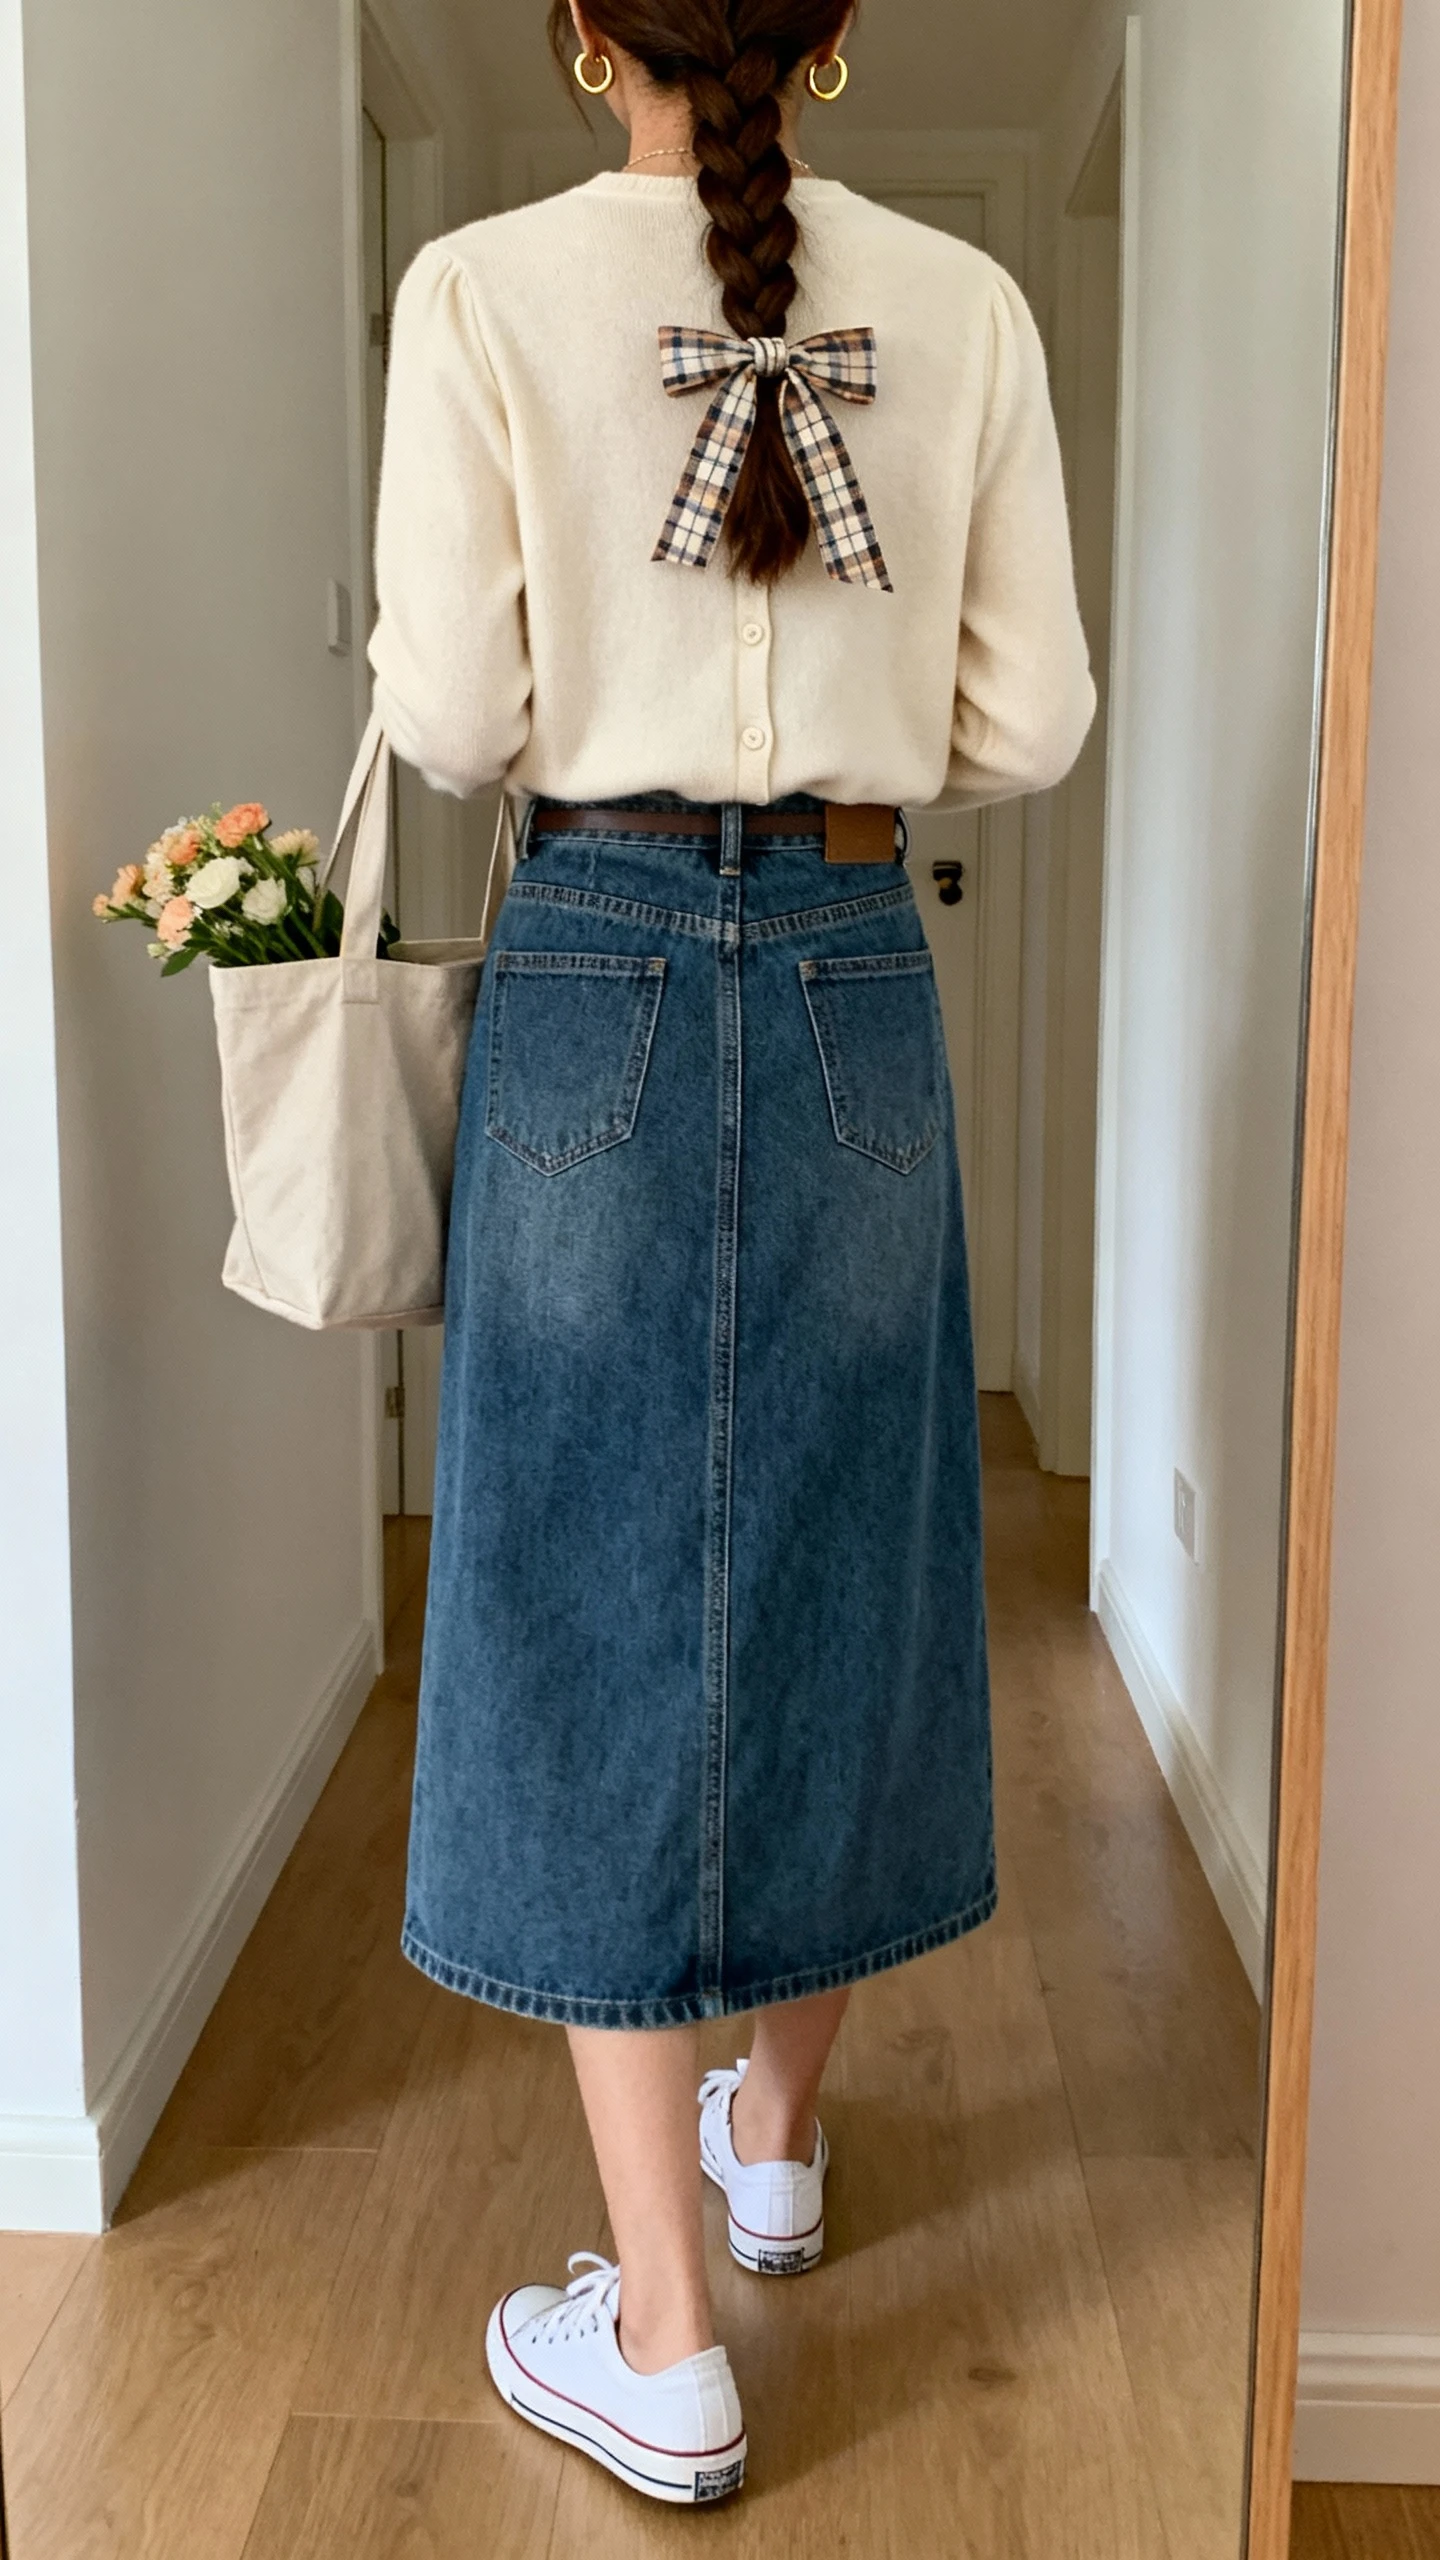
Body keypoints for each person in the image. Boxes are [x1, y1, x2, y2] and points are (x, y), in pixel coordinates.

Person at [368, 0, 1094, 2508]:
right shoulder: (966, 309)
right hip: (862, 976)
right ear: (842, 29)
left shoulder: (477, 293)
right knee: (847, 1545)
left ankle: (662, 2334)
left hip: (594, 963)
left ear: (582, 34)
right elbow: (1028, 717)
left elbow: (456, 716)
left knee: (586, 1581)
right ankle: (778, 2146)